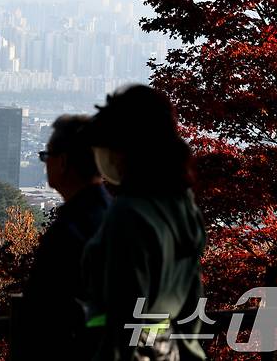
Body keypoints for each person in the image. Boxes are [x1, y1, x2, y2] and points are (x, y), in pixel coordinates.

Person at [81, 84, 207, 361]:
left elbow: (123, 314)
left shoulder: (128, 214)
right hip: (169, 349)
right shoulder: (184, 207)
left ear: (125, 151)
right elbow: (193, 305)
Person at [20, 114, 112, 360]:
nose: (44, 162)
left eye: (46, 156)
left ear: (63, 162)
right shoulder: (116, 215)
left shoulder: (69, 228)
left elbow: (42, 308)